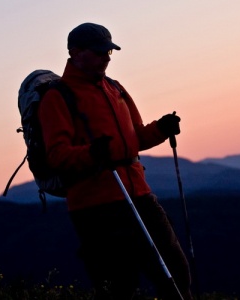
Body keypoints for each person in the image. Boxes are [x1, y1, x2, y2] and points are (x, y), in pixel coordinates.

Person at [37, 22, 193, 300]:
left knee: (176, 273)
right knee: (120, 287)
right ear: (75, 52)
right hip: (96, 209)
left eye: (109, 51)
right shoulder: (57, 97)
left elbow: (134, 140)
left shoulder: (115, 88)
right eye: (99, 52)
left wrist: (161, 129)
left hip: (139, 195)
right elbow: (56, 155)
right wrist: (92, 153)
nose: (106, 57)